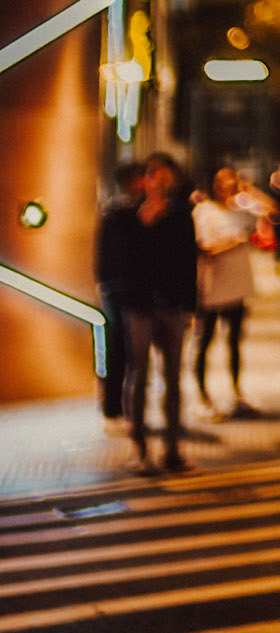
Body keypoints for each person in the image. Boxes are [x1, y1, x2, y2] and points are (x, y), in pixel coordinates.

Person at [122, 152, 198, 474]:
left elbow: (187, 263)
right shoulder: (125, 216)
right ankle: (140, 448)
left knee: (173, 379)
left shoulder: (181, 216)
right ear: (143, 179)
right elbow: (116, 263)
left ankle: (172, 448)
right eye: (153, 174)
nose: (159, 181)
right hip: (139, 307)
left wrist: (190, 306)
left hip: (172, 307)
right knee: (139, 377)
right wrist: (143, 225)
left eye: (165, 176)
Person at [192, 166, 259, 417]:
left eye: (231, 181)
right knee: (205, 342)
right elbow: (205, 248)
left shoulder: (241, 210)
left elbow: (273, 211)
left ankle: (236, 393)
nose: (226, 185)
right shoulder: (203, 212)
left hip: (238, 287)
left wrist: (249, 190)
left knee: (234, 343)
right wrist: (235, 242)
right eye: (221, 181)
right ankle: (203, 396)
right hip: (211, 288)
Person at [93, 160, 145, 431]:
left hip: (117, 287)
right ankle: (117, 408)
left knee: (123, 350)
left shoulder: (116, 210)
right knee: (122, 351)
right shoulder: (123, 211)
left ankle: (119, 407)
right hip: (122, 289)